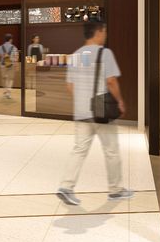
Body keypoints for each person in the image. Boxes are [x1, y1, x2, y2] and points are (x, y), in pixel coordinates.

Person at [56, 20, 134, 205]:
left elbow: (69, 86)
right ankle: (115, 190)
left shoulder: (75, 55)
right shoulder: (104, 53)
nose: (105, 35)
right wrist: (120, 101)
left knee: (79, 149)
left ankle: (66, 186)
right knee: (111, 151)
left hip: (81, 110)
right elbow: (111, 81)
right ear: (98, 31)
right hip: (100, 108)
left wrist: (83, 101)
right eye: (104, 31)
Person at [0, 34, 18, 99]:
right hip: (11, 64)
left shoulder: (0, 47)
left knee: (4, 78)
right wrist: (16, 65)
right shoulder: (14, 47)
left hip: (3, 64)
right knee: (10, 78)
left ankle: (6, 91)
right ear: (10, 39)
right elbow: (16, 57)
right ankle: (9, 91)